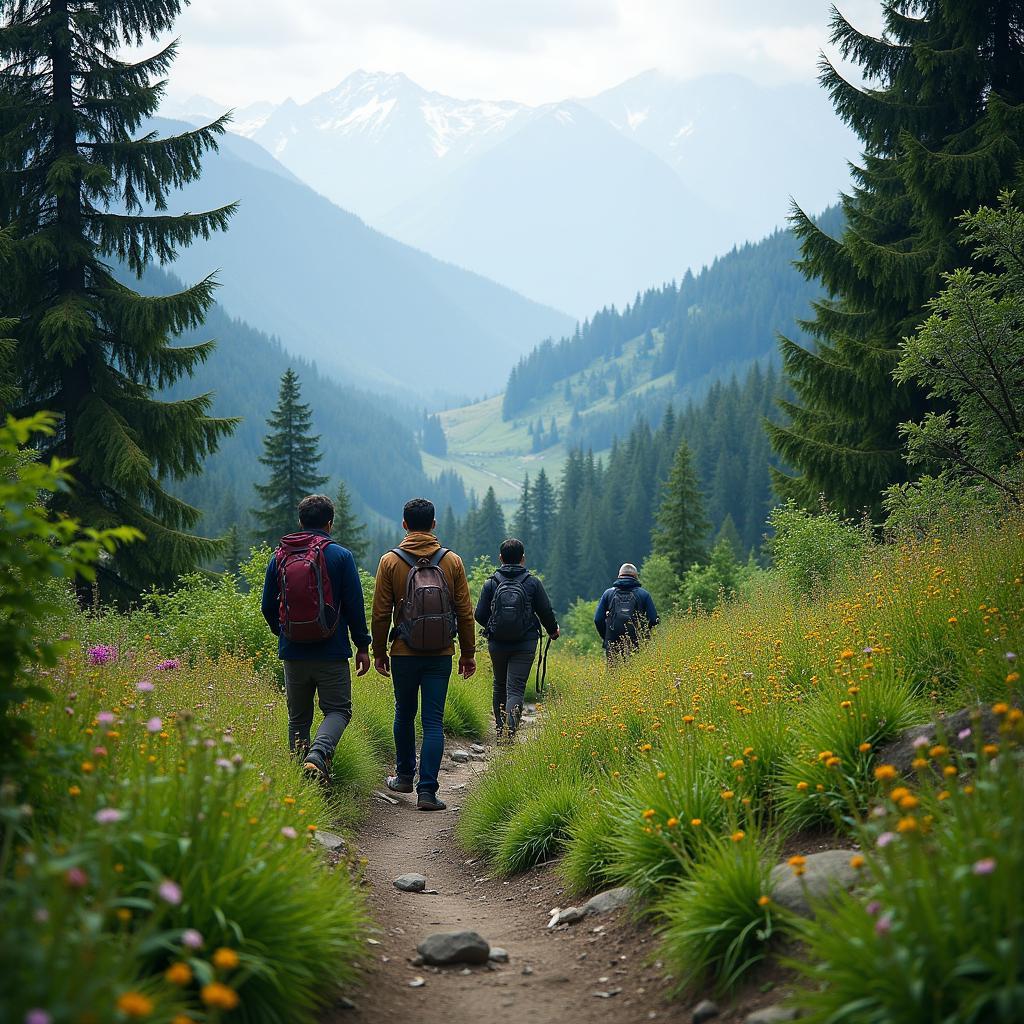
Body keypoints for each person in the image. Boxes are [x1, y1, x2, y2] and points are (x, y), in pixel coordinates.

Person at [371, 498, 476, 811]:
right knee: (433, 721)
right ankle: (427, 792)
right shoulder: (452, 561)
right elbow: (465, 612)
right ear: (434, 524)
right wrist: (468, 653)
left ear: (404, 524)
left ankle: (404, 777)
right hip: (440, 653)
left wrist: (379, 652)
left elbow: (380, 613)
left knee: (404, 713)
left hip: (403, 652)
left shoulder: (390, 561)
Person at [261, 493, 371, 783]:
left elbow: (267, 606)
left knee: (298, 720)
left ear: (300, 521)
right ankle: (320, 754)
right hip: (331, 651)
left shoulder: (280, 555)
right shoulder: (341, 555)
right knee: (338, 710)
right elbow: (354, 606)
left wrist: (284, 633)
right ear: (330, 523)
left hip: (293, 652)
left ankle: (301, 786)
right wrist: (362, 645)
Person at [475, 538, 559, 742]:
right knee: (516, 687)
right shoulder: (532, 582)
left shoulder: (491, 582)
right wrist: (552, 630)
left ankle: (499, 728)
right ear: (523, 558)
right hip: (525, 642)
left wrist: (493, 627)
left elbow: (479, 614)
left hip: (497, 642)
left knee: (499, 685)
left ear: (500, 558)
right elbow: (545, 611)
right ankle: (510, 733)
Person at [594, 562, 659, 659]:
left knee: (614, 672)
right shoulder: (643, 594)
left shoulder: (608, 593)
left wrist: (607, 637)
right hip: (636, 642)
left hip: (612, 642)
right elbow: (653, 619)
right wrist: (644, 636)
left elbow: (598, 619)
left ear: (619, 576)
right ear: (636, 576)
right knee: (635, 671)